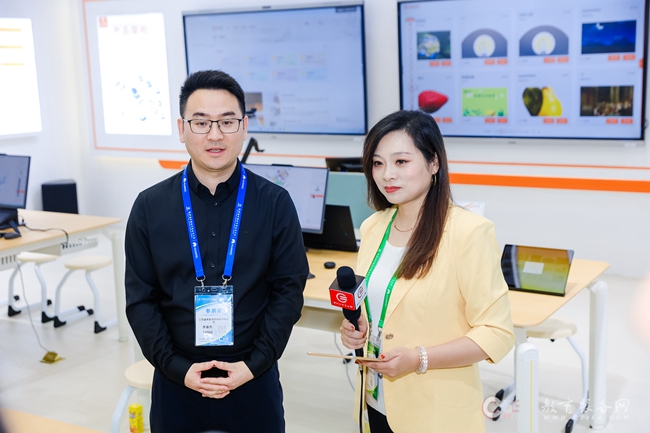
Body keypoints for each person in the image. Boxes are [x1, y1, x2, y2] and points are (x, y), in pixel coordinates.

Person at [125, 70, 309, 433]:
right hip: (177, 383)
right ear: (182, 129)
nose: (214, 135)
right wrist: (176, 368)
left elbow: (288, 292)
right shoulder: (149, 206)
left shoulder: (275, 203)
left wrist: (254, 365)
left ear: (244, 127)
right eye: (201, 122)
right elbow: (141, 299)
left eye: (227, 122)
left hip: (253, 381)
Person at [340, 110, 515, 433]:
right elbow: (381, 306)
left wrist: (419, 358)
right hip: (375, 401)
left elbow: (497, 333)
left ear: (434, 163)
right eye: (378, 163)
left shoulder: (468, 232)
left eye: (401, 161)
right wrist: (357, 327)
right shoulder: (374, 227)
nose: (387, 174)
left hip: (435, 413)